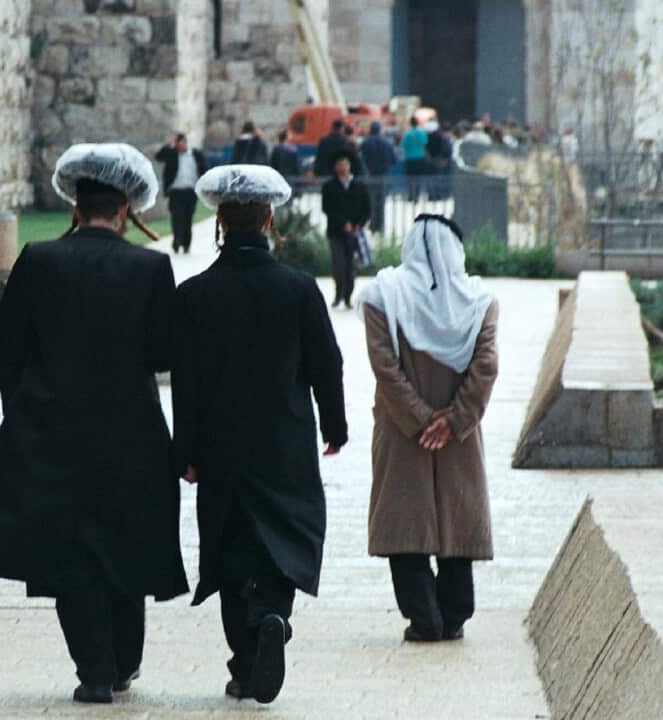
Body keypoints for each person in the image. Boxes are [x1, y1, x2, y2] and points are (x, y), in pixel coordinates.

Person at [0, 143, 188, 705]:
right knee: (124, 545)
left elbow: (10, 347)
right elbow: (163, 352)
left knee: (72, 550)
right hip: (132, 434)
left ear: (76, 208)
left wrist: (24, 412)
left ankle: (95, 669)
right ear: (126, 209)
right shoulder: (152, 267)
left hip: (52, 430)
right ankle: (124, 661)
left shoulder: (37, 260)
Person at [171, 164, 348, 705]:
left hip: (222, 446)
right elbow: (327, 364)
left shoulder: (194, 294)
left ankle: (245, 663)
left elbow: (186, 382)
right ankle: (273, 612)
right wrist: (335, 427)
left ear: (220, 221)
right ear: (270, 219)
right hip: (285, 443)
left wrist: (188, 453)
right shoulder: (299, 290)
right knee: (282, 538)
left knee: (229, 548)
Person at [354, 215, 498, 644]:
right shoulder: (479, 302)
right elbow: (486, 366)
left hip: (403, 432)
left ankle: (423, 618)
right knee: (456, 515)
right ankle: (453, 616)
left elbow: (384, 366)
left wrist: (419, 419)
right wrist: (453, 421)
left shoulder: (382, 296)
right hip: (458, 435)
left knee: (405, 520)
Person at [321, 149, 371, 309]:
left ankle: (348, 296)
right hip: (336, 231)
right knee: (339, 264)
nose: (343, 167)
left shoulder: (359, 186)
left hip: (354, 232)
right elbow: (327, 208)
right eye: (339, 164)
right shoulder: (329, 186)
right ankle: (338, 294)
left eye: (345, 164)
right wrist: (343, 223)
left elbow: (366, 208)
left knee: (351, 266)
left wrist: (358, 224)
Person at [156, 132, 209, 253]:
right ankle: (176, 242)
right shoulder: (171, 154)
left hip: (191, 191)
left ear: (185, 142)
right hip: (175, 191)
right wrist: (170, 144)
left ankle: (186, 243)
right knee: (176, 217)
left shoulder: (195, 154)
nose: (181, 146)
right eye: (178, 144)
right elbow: (159, 156)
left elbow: (204, 169)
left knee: (188, 218)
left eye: (182, 143)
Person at [359, 121, 396, 234]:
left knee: (370, 202)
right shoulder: (387, 143)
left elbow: (362, 158)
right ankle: (380, 227)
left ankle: (372, 225)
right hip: (383, 176)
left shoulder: (365, 142)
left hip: (369, 176)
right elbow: (394, 159)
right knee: (381, 203)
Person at [401, 117, 432, 201]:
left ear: (410, 123)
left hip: (409, 159)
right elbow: (425, 145)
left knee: (410, 178)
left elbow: (404, 146)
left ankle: (411, 194)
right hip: (420, 158)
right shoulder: (422, 133)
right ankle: (417, 195)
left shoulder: (407, 134)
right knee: (418, 178)